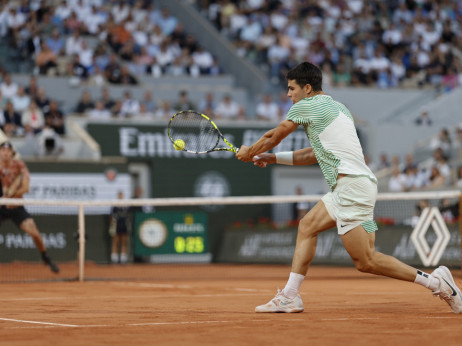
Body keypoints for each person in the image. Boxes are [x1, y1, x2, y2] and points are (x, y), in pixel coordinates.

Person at [236, 62, 461, 314]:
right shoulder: (338, 108)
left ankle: (438, 283)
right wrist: (272, 158)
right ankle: (290, 295)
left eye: (291, 89)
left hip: (351, 188)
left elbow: (274, 136)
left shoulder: (307, 105)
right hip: (355, 186)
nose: (288, 94)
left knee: (366, 261)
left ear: (307, 88)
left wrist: (250, 151)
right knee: (307, 226)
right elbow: (314, 153)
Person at [0, 142, 59, 273]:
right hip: (0, 205)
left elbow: (26, 188)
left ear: (12, 153)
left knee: (34, 233)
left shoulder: (20, 166)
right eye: (2, 150)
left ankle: (45, 257)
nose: (5, 152)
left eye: (8, 150)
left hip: (16, 205)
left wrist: (10, 194)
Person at [109, 191, 130, 264]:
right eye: (119, 195)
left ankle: (123, 257)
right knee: (115, 240)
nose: (120, 196)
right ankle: (114, 257)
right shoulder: (114, 206)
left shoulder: (126, 206)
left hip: (123, 225)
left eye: (122, 195)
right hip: (115, 225)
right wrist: (112, 226)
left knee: (124, 240)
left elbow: (128, 216)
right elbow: (111, 217)